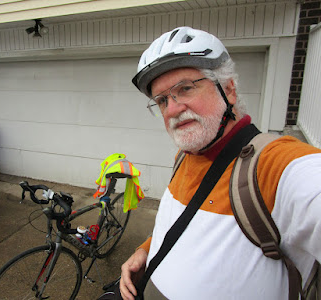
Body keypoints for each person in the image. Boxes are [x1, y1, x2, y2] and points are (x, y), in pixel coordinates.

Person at [119, 26, 321, 300]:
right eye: (162, 100)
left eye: (186, 88)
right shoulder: (183, 157)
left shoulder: (274, 165)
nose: (173, 109)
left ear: (229, 90)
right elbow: (182, 223)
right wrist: (146, 249)